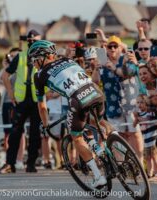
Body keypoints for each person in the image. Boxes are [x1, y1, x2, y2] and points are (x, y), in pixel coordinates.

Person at [28, 40, 107, 188]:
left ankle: (97, 175)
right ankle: (103, 147)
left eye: (34, 60)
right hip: (96, 92)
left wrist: (45, 125)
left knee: (76, 137)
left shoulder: (39, 75)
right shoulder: (68, 60)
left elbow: (42, 106)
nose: (34, 64)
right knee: (97, 122)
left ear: (44, 57)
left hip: (78, 99)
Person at [0, 30, 42, 174]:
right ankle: (10, 163)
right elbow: (5, 76)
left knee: (35, 134)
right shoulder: (21, 56)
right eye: (30, 41)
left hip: (36, 101)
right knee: (15, 133)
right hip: (21, 101)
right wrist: (11, 95)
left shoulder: (43, 57)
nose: (32, 43)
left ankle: (31, 164)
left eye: (35, 41)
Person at [133, 94, 157, 178]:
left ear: (146, 103)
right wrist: (135, 117)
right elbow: (134, 125)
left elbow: (147, 120)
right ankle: (149, 172)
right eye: (138, 102)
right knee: (147, 158)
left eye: (142, 102)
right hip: (144, 139)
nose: (139, 105)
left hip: (152, 138)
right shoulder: (138, 114)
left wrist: (138, 118)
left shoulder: (150, 111)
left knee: (154, 156)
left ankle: (156, 172)